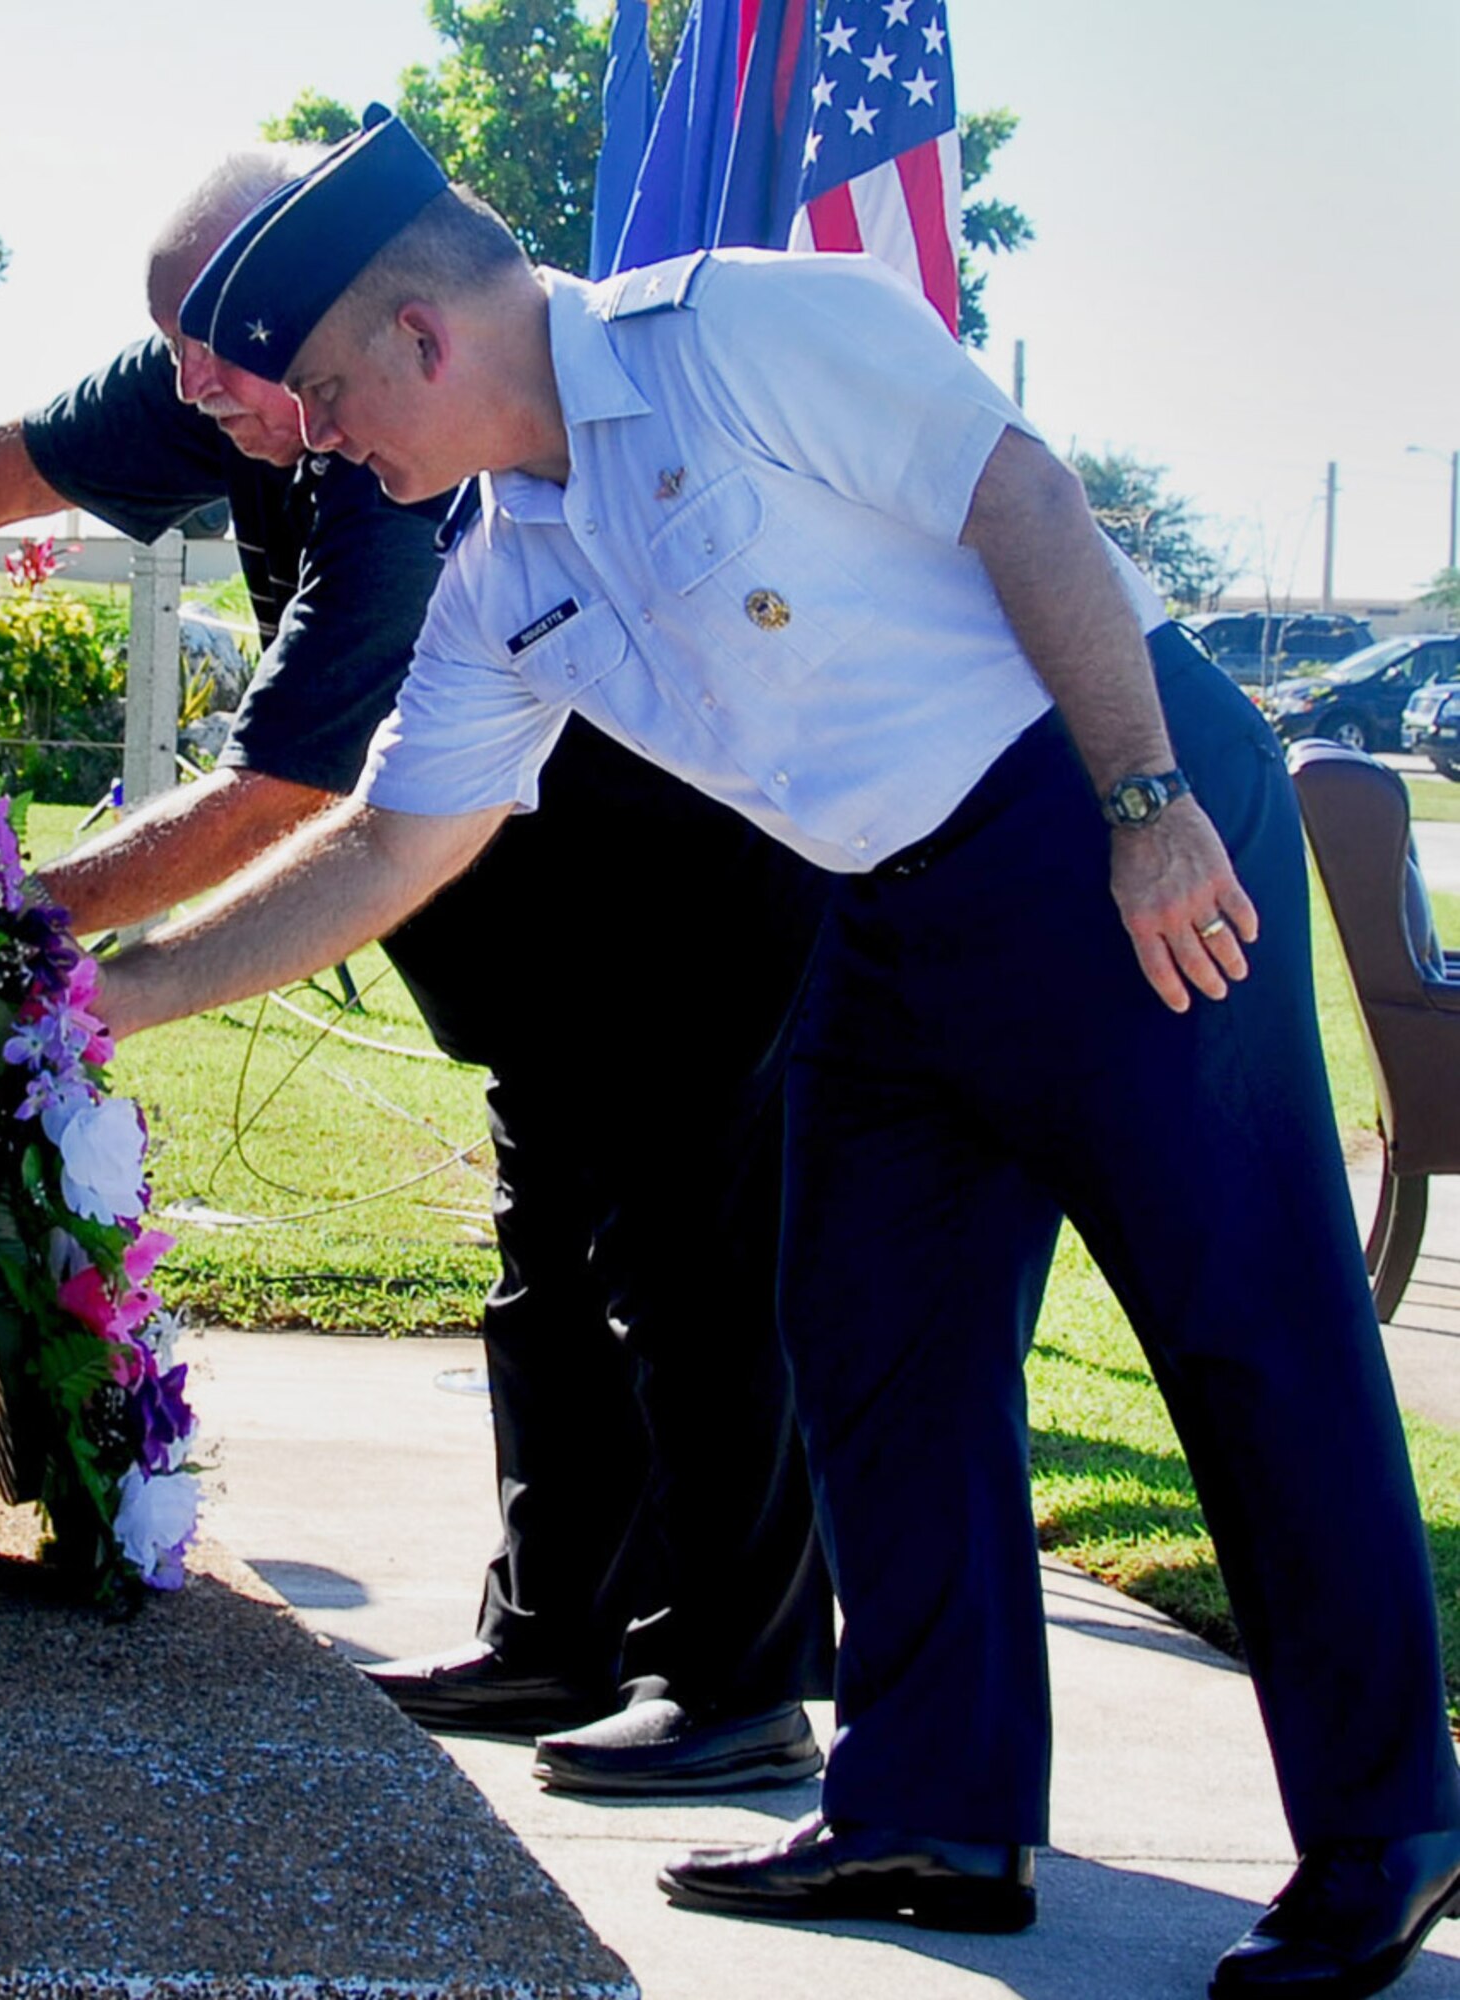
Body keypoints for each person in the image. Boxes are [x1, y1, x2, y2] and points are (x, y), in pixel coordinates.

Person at [93, 114, 1460, 1998]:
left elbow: (1027, 500)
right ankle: (936, 1809)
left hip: (1106, 815)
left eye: (323, 392)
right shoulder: (503, 564)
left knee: (1251, 1323)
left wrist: (1147, 800)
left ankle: (1387, 1830)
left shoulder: (742, 329)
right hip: (888, 909)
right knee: (866, 1334)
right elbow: (393, 844)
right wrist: (108, 1000)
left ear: (419, 337)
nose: (318, 439)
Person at [0, 145, 836, 1795]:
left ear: (334, 322)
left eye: (234, 351)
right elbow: (22, 463)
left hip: (680, 882)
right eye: (179, 348)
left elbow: (286, 788)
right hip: (510, 893)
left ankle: (742, 1680)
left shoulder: (391, 469)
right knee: (549, 1269)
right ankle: (555, 1632)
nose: (198, 389)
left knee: (689, 1271)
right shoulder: (223, 375)